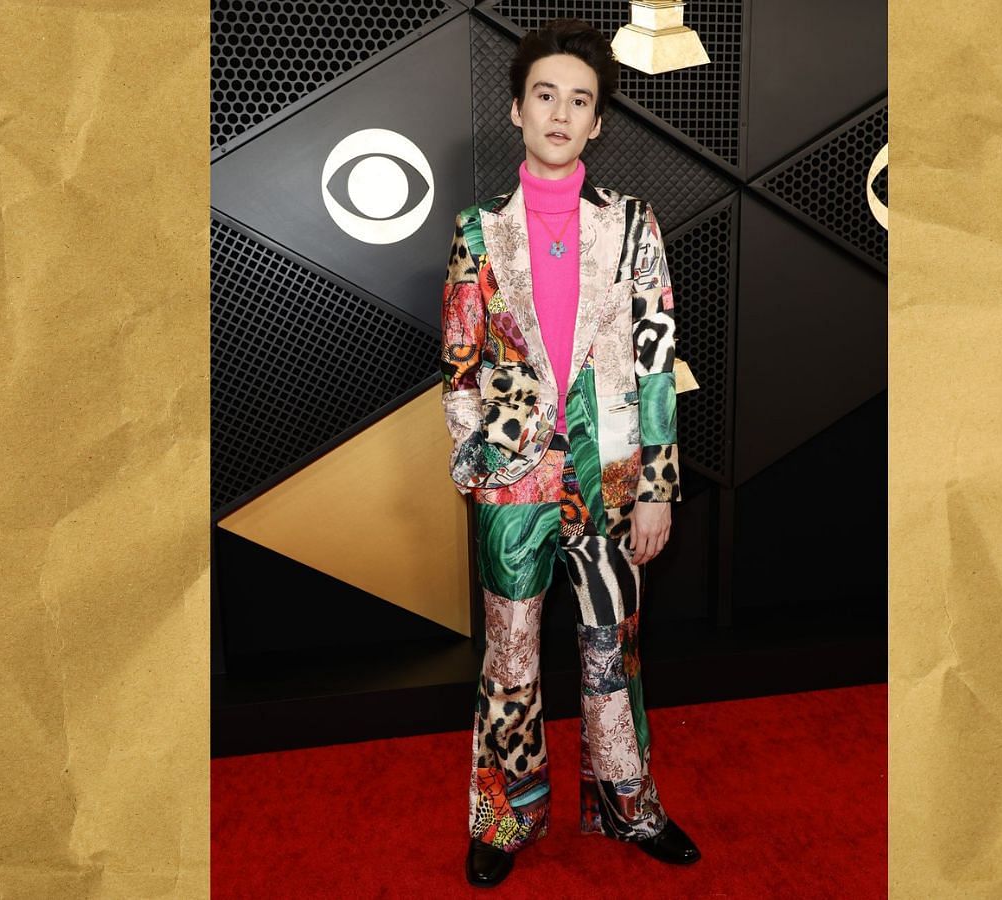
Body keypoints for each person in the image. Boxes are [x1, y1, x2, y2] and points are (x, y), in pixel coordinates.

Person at [439, 17, 700, 888]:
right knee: (509, 653)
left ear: (597, 123)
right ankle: (503, 819)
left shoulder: (633, 228)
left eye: (580, 100)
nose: (561, 113)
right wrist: (480, 465)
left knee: (609, 648)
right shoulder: (478, 233)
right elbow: (460, 363)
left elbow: (656, 364)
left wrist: (659, 486)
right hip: (515, 478)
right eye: (545, 95)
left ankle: (632, 805)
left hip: (611, 477)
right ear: (518, 110)